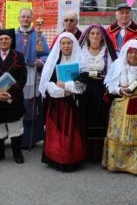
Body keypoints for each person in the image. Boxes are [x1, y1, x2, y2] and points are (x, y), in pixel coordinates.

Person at [102, 39, 137, 175]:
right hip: (121, 104)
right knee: (119, 134)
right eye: (130, 52)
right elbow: (109, 85)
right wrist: (120, 90)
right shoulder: (117, 65)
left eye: (136, 52)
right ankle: (117, 164)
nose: (133, 55)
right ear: (126, 53)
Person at [39, 32, 86, 171]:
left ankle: (71, 159)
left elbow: (82, 85)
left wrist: (66, 86)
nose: (66, 46)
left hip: (74, 103)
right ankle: (55, 158)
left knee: (73, 132)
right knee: (56, 131)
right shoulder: (54, 61)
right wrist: (63, 92)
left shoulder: (81, 62)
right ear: (59, 45)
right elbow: (47, 83)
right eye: (63, 43)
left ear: (74, 44)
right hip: (57, 104)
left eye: (69, 43)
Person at [0, 29, 27, 164]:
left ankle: (17, 152)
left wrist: (10, 93)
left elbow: (23, 77)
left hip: (13, 98)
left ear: (11, 40)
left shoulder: (18, 56)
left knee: (15, 127)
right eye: (1, 39)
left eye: (6, 38)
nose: (4, 41)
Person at [78, 24, 117, 163]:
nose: (95, 36)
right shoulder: (81, 51)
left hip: (101, 90)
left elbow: (113, 71)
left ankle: (98, 153)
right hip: (85, 90)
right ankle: (85, 152)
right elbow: (77, 70)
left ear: (102, 37)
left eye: (98, 34)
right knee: (85, 118)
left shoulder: (107, 51)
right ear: (87, 36)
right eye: (92, 33)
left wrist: (105, 77)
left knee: (100, 119)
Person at [15, 8, 50, 149]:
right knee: (18, 103)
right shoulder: (14, 34)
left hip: (32, 72)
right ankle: (17, 136)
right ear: (19, 18)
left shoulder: (39, 35)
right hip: (17, 73)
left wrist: (41, 61)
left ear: (32, 19)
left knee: (32, 104)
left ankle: (32, 136)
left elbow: (47, 54)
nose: (25, 19)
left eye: (28, 17)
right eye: (23, 16)